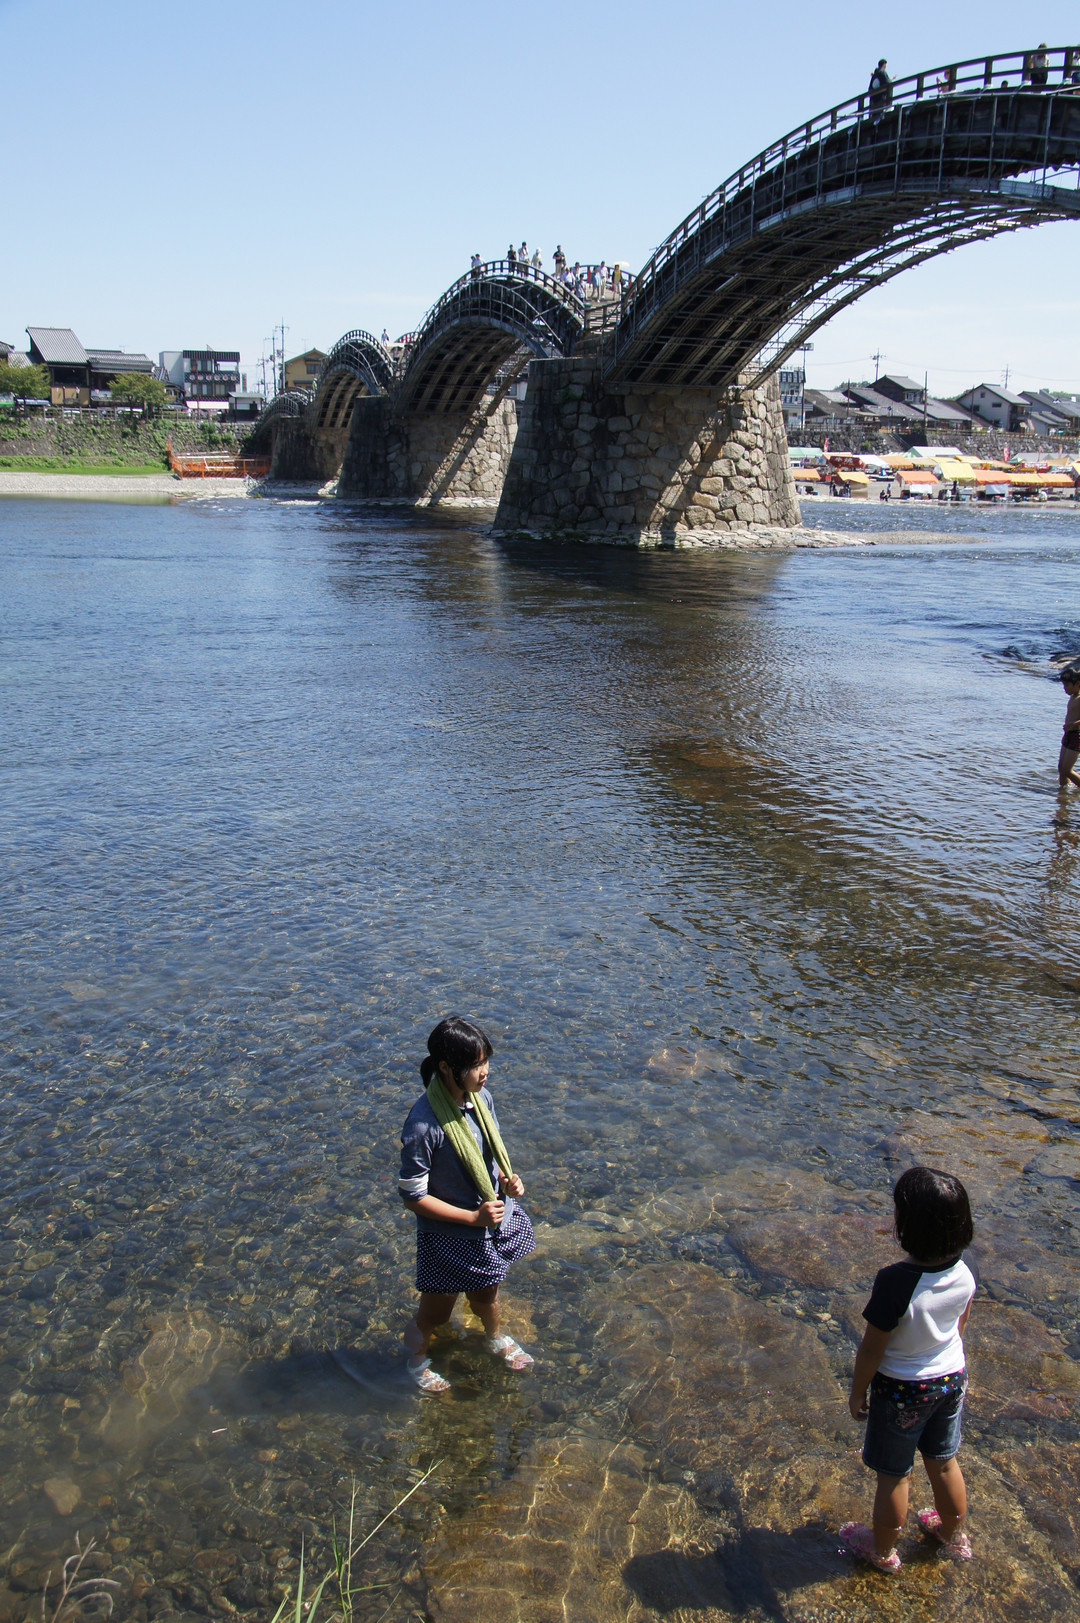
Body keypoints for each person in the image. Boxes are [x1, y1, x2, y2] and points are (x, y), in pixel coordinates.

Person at [841, 1167, 976, 1574]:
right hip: (951, 1378)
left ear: (908, 1226)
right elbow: (959, 1324)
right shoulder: (965, 1270)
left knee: (894, 1475)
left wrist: (857, 1392)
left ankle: (882, 1551)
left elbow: (872, 1349)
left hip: (903, 1390)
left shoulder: (894, 1282)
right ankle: (952, 1534)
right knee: (944, 1461)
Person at [398, 1016, 536, 1393]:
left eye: (485, 1061)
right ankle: (414, 1360)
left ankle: (494, 1337)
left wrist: (509, 1179)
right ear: (446, 1068)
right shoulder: (423, 1125)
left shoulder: (480, 1098)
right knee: (435, 1312)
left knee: (487, 1294)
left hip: (487, 1224)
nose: (485, 1072)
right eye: (475, 1065)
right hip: (449, 1235)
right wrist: (472, 1216)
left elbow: (491, 1156)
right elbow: (412, 1197)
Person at [1058, 667, 1080, 791]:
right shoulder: (1072, 696)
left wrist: (1073, 724)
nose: (1064, 688)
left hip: (1077, 735)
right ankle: (1063, 794)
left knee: (1067, 770)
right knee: (1061, 769)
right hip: (1068, 734)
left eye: (1067, 685)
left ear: (1077, 684)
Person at [869, 58, 893, 122]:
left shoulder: (875, 74)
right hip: (881, 96)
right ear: (884, 64)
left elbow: (870, 87)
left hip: (874, 98)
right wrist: (891, 80)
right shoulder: (882, 72)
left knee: (875, 112)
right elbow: (888, 82)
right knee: (880, 111)